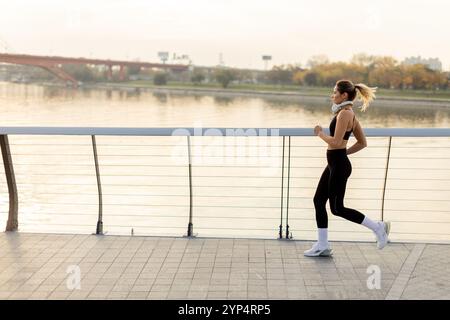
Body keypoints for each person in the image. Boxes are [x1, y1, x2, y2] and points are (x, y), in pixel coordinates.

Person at [304, 80, 390, 257]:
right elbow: (362, 143)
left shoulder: (344, 114)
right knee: (319, 200)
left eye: (335, 92)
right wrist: (343, 155)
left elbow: (335, 142)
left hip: (338, 165)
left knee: (338, 208)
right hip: (336, 164)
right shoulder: (349, 114)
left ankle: (377, 227)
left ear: (344, 95)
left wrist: (320, 133)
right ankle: (322, 244)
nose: (332, 95)